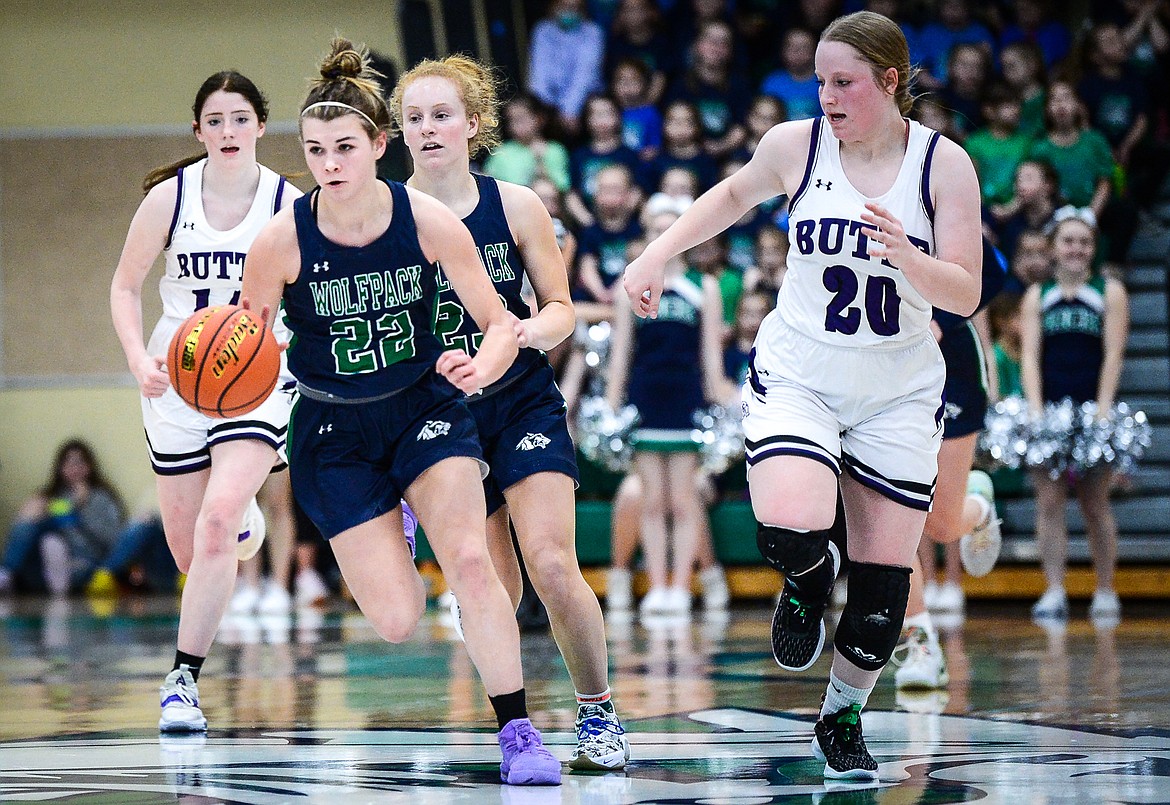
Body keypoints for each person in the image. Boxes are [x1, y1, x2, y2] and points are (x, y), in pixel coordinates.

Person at [622, 11, 983, 779]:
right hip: (802, 375)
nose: (826, 95)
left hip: (897, 389)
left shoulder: (942, 165)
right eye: (820, 80)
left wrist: (910, 260)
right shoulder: (796, 144)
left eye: (843, 82)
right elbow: (728, 197)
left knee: (885, 593)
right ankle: (807, 580)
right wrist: (656, 251)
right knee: (792, 520)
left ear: (889, 82)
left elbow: (967, 290)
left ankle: (841, 714)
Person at [240, 38, 560, 786]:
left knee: (474, 562)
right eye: (315, 149)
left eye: (345, 145)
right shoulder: (281, 240)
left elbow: (499, 321)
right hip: (332, 430)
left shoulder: (429, 222)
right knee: (395, 618)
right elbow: (249, 346)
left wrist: (481, 366)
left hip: (424, 406)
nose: (329, 162)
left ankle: (516, 730)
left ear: (380, 144)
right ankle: (396, 517)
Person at [390, 53, 630, 771]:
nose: (429, 129)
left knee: (553, 564)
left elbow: (560, 310)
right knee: (491, 586)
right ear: (400, 133)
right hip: (442, 414)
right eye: (414, 118)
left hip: (520, 396)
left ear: (472, 123)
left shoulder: (517, 204)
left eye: (442, 114)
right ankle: (516, 728)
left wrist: (521, 330)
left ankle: (598, 713)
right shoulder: (386, 215)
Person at [109, 71, 301, 733]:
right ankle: (242, 527)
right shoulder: (170, 198)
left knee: (218, 522)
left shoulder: (286, 201)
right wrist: (139, 358)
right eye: (215, 120)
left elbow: (311, 295)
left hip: (255, 377)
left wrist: (295, 355)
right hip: (177, 379)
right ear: (198, 131)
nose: (228, 131)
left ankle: (181, 680)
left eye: (240, 118)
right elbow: (126, 286)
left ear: (260, 127)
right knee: (193, 552)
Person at [606, 198, 730, 616]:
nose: (661, 237)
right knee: (652, 501)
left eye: (670, 229)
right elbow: (621, 355)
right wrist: (611, 407)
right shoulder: (632, 284)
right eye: (654, 229)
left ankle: (681, 586)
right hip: (645, 400)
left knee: (683, 499)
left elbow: (711, 358)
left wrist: (730, 403)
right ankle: (658, 586)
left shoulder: (704, 286)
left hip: (685, 401)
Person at [1020, 213, 1128, 623]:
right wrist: (1034, 408)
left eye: (1084, 241)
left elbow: (1114, 353)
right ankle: (1054, 590)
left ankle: (1105, 591)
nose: (1076, 248)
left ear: (1093, 247)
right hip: (1048, 411)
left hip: (1092, 411)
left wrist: (1102, 408)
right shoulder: (1038, 294)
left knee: (1095, 504)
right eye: (1068, 241)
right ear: (1054, 247)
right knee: (1048, 503)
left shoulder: (1109, 291)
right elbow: (1030, 355)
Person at [0, 440, 125, 597]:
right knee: (39, 528)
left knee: (58, 543)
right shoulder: (52, 496)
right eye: (68, 462)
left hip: (85, 563)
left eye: (79, 462)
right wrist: (62, 506)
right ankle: (5, 573)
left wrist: (80, 513)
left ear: (89, 466)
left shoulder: (101, 497)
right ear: (60, 468)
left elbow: (113, 540)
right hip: (43, 567)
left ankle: (59, 580)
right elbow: (24, 527)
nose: (74, 468)